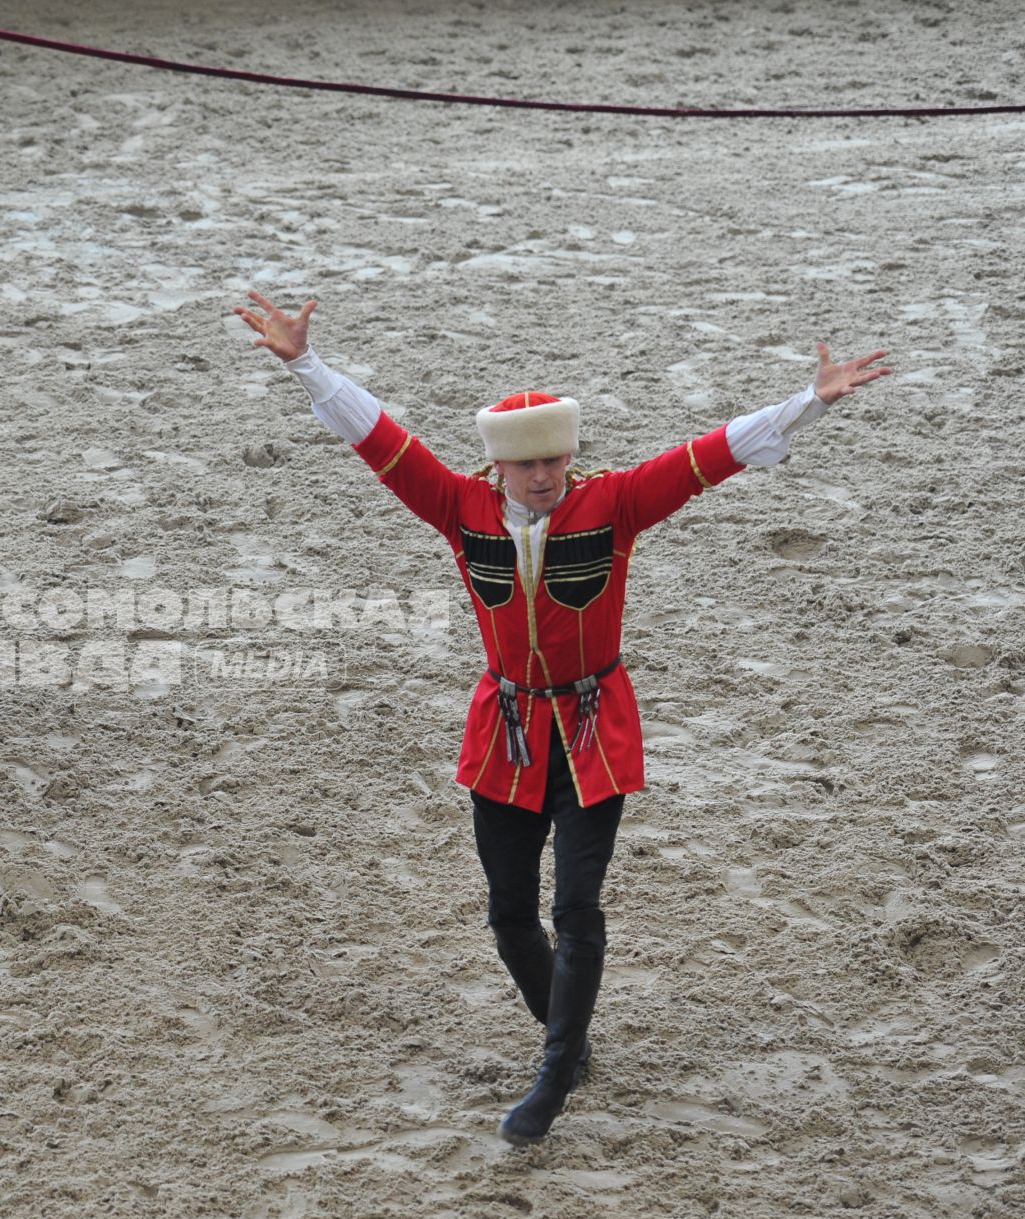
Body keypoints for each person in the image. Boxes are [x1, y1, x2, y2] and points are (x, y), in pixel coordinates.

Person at [236, 290, 889, 1144]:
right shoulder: (456, 506)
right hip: (505, 731)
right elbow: (381, 440)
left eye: (555, 461)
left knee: (576, 908)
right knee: (510, 913)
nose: (545, 477)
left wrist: (808, 401)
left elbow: (711, 454)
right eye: (527, 466)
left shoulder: (615, 503)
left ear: (570, 455)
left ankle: (553, 1071)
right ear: (497, 469)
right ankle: (568, 1040)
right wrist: (305, 364)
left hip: (592, 731)